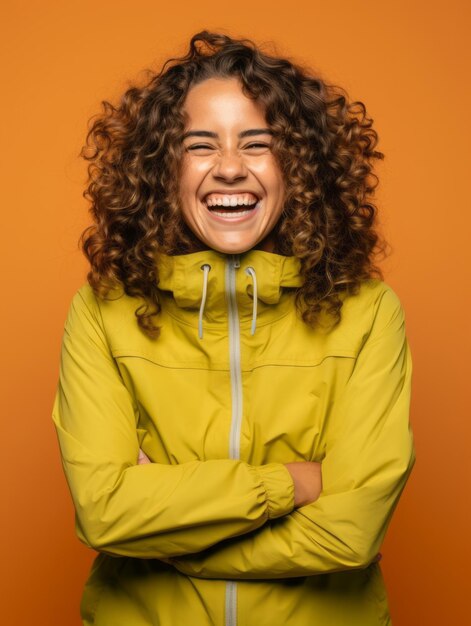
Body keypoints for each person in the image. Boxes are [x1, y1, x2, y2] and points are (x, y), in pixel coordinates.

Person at [51, 30, 416, 626]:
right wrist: (292, 484)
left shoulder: (369, 312)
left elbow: (351, 533)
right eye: (199, 145)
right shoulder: (101, 313)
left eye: (258, 143)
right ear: (160, 168)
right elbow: (105, 514)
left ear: (299, 166)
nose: (228, 169)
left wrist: (176, 539)